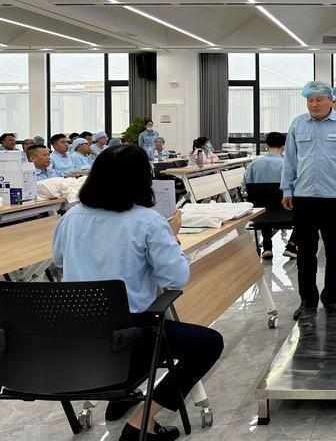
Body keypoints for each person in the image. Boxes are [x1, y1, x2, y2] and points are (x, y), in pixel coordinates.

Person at [52, 144, 223, 441]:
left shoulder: (72, 216)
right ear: (143, 180)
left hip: (75, 336)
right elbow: (175, 278)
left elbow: (58, 260)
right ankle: (142, 420)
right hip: (130, 336)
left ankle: (122, 399)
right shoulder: (148, 221)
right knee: (209, 343)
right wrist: (173, 237)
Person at [281, 81, 336, 320]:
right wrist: (287, 189)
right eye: (309, 100)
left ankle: (331, 300)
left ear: (330, 100)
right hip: (304, 198)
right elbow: (290, 160)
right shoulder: (297, 124)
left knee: (335, 253)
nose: (313, 104)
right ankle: (307, 301)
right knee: (306, 253)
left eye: (318, 100)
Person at [243, 132, 298, 260]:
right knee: (307, 214)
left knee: (263, 204)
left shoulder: (252, 166)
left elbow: (245, 188)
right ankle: (291, 245)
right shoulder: (287, 166)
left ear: (266, 146)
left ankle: (267, 247)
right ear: (284, 147)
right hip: (287, 213)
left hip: (260, 215)